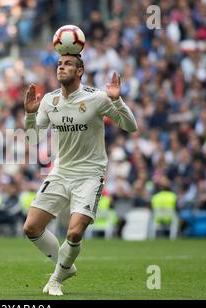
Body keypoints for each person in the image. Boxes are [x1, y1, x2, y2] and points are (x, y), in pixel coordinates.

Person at [23, 54, 138, 295]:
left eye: (67, 64)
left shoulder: (96, 97)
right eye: (59, 64)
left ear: (80, 71)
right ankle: (66, 265)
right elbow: (32, 138)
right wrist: (30, 114)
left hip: (89, 174)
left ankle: (56, 279)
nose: (61, 67)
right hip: (61, 171)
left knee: (74, 231)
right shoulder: (49, 100)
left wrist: (117, 101)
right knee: (31, 228)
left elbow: (130, 126)